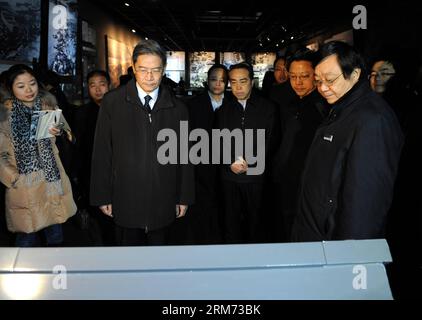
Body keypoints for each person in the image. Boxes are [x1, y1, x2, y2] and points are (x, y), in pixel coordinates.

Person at [291, 41, 403, 242]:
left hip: (334, 248)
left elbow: (364, 206)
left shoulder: (372, 120)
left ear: (355, 74)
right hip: (316, 237)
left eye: (331, 80)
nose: (323, 88)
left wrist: (349, 261)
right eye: (318, 80)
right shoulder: (340, 106)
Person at [90, 39, 194, 246]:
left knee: (161, 256)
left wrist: (184, 196)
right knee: (128, 258)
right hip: (124, 195)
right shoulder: (113, 102)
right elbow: (102, 151)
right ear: (134, 69)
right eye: (143, 69)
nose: (149, 77)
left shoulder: (178, 108)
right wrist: (102, 195)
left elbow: (185, 156)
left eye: (155, 70)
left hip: (164, 195)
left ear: (163, 70)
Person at [0, 64, 76, 247]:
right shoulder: (4, 115)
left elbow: (69, 134)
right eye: (21, 86)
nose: (29, 89)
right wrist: (14, 178)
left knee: (55, 239)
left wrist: (60, 131)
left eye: (32, 83)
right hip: (25, 187)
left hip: (51, 182)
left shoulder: (48, 106)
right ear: (10, 88)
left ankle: (56, 275)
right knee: (26, 240)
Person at [218, 62, 280, 244]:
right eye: (233, 82)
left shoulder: (268, 108)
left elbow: (271, 141)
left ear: (252, 82)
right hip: (229, 176)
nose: (237, 87)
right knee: (230, 223)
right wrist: (230, 161)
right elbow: (217, 140)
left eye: (243, 81)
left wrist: (250, 163)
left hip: (256, 176)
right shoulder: (224, 110)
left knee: (257, 223)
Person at [271, 49, 328, 242]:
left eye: (304, 76)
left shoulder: (325, 107)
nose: (298, 82)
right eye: (293, 76)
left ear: (316, 75)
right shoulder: (283, 101)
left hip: (311, 186)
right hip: (283, 181)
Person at [179, 64, 229, 244]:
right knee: (202, 208)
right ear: (207, 81)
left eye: (222, 80)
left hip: (227, 164)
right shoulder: (193, 105)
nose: (218, 84)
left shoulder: (233, 102)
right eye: (214, 79)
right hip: (201, 164)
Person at [73, 70, 114, 244]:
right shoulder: (81, 113)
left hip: (116, 173)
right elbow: (77, 147)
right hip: (90, 174)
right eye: (92, 85)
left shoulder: (119, 110)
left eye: (102, 84)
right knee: (98, 219)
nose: (98, 89)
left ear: (110, 86)